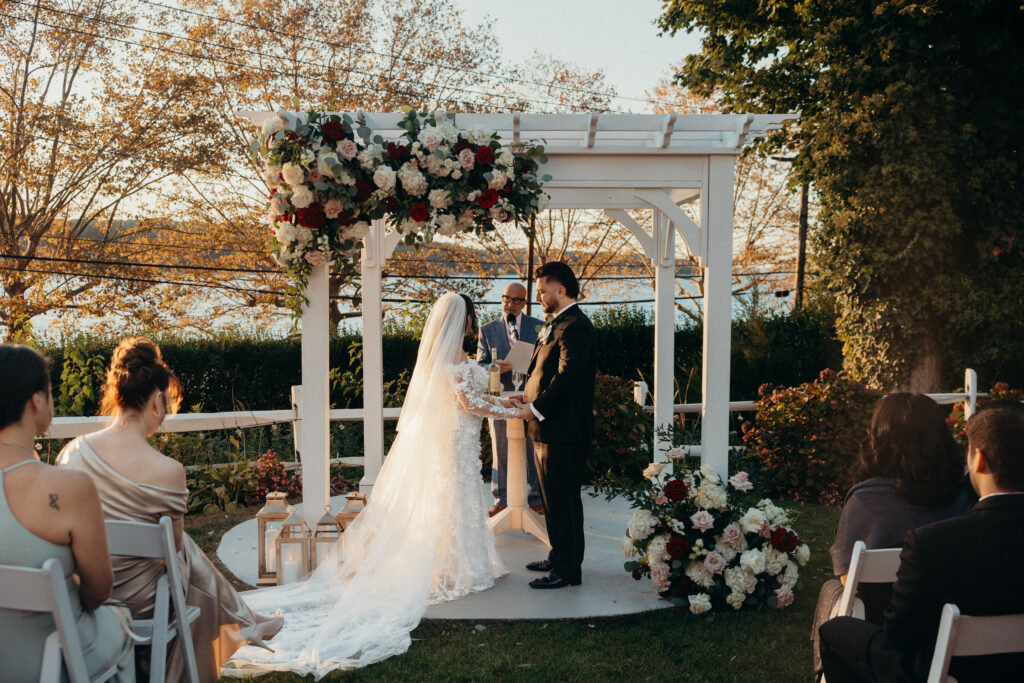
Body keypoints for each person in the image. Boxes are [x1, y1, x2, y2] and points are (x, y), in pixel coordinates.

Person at [223, 292, 519, 677]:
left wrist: (501, 401)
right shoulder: (452, 360)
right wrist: (510, 408)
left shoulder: (451, 357)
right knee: (451, 500)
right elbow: (471, 404)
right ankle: (451, 570)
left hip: (458, 442)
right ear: (462, 321)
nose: (469, 323)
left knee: (453, 502)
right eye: (468, 317)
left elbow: (475, 397)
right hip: (455, 443)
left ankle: (457, 565)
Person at [56, 338, 282, 682]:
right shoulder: (167, 471)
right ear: (158, 401)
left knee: (177, 549)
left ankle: (249, 620)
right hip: (144, 604)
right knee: (180, 549)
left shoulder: (71, 453)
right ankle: (245, 621)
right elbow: (173, 548)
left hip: (86, 591)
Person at [819, 400, 1024, 682]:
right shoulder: (960, 508)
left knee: (836, 629)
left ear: (979, 459)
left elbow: (900, 640)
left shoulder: (931, 543)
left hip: (939, 664)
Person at [811, 393, 972, 680]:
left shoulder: (865, 500)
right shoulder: (962, 496)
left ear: (879, 439)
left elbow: (849, 577)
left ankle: (826, 671)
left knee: (831, 589)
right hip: (947, 618)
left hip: (882, 627)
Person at [0, 345, 135, 682]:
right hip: (54, 660)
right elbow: (99, 589)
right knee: (121, 618)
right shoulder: (70, 487)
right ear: (36, 400)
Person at [512, 261, 597, 590]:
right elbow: (543, 373)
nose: (539, 296)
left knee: (562, 501)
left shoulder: (574, 325)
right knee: (552, 501)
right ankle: (559, 554)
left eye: (543, 290)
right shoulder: (558, 323)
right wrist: (525, 396)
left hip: (564, 431)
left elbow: (568, 379)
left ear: (561, 290)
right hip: (548, 429)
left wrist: (535, 408)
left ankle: (567, 570)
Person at [477, 281, 545, 516]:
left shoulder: (539, 327)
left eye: (517, 300)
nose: (511, 304)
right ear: (502, 298)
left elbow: (546, 361)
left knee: (533, 447)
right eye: (508, 298)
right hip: (498, 399)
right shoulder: (487, 330)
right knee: (500, 448)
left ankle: (536, 497)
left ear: (524, 303)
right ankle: (501, 499)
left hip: (529, 397)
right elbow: (480, 365)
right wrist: (495, 367)